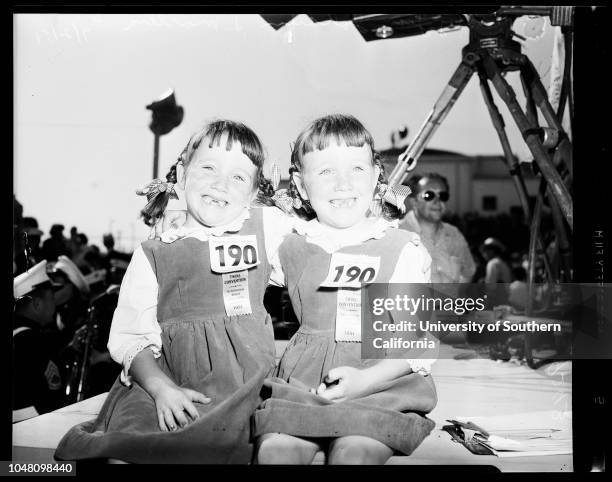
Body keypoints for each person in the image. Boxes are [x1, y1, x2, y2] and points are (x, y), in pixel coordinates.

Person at [54, 119, 292, 464]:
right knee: (127, 446)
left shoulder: (265, 227)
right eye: (208, 167)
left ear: (255, 193)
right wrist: (161, 388)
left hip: (243, 381)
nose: (221, 184)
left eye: (238, 177)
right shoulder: (156, 250)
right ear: (181, 175)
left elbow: (322, 255)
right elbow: (131, 334)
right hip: (164, 377)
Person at [254, 114, 437, 465]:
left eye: (356, 169)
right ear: (302, 186)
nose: (342, 184)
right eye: (325, 172)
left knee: (354, 453)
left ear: (376, 180)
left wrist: (366, 382)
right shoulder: (289, 245)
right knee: (276, 453)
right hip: (304, 382)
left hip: (378, 383)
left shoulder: (400, 248)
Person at [12, 261, 68, 421]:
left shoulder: (22, 336)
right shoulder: (33, 341)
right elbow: (51, 396)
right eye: (51, 299)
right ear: (37, 304)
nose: (54, 305)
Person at [400, 173, 476, 284]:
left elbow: (468, 273)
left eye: (443, 196)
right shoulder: (398, 233)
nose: (437, 201)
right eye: (429, 195)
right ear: (414, 201)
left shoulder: (454, 234)